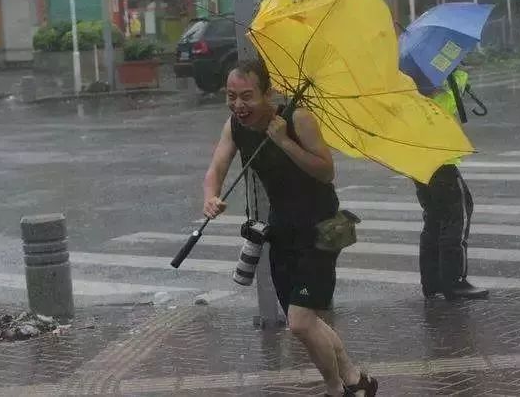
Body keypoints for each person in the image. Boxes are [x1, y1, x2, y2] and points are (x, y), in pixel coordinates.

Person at [203, 59, 378, 397]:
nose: (239, 105)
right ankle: (355, 379)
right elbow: (216, 167)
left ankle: (335, 389)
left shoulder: (298, 119)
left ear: (268, 93)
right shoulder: (235, 126)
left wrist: (284, 141)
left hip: (320, 229)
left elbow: (326, 172)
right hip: (282, 229)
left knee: (300, 322)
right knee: (307, 322)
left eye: (248, 96)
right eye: (231, 96)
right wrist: (211, 196)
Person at [414, 69, 489, 301]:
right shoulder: (437, 79)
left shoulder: (406, 78)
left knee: (435, 218)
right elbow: (448, 100)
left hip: (419, 161)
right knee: (457, 217)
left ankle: (432, 281)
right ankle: (453, 281)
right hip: (441, 163)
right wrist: (458, 73)